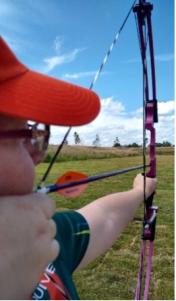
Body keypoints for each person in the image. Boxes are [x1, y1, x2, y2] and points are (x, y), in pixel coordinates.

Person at [0, 36, 157, 300]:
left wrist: (139, 191)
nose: (37, 157)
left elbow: (104, 217)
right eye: (24, 137)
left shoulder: (38, 238)